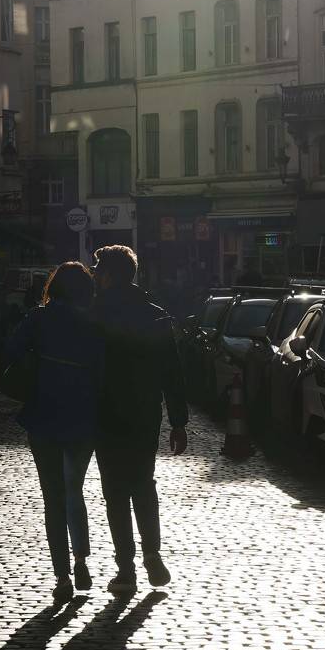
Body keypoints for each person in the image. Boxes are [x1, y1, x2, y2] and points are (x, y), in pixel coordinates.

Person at [90, 244, 188, 595]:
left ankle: (126, 569)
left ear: (109, 275)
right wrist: (178, 421)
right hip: (145, 411)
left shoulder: (94, 314)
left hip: (105, 412)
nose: (94, 275)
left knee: (115, 492)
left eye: (97, 270)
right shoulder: (155, 315)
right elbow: (173, 372)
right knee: (143, 484)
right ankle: (152, 554)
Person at [5, 262, 103, 605]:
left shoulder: (39, 319)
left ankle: (61, 575)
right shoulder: (94, 322)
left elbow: (10, 351)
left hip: (44, 413)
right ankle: (81, 559)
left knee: (53, 497)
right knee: (74, 489)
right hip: (83, 415)